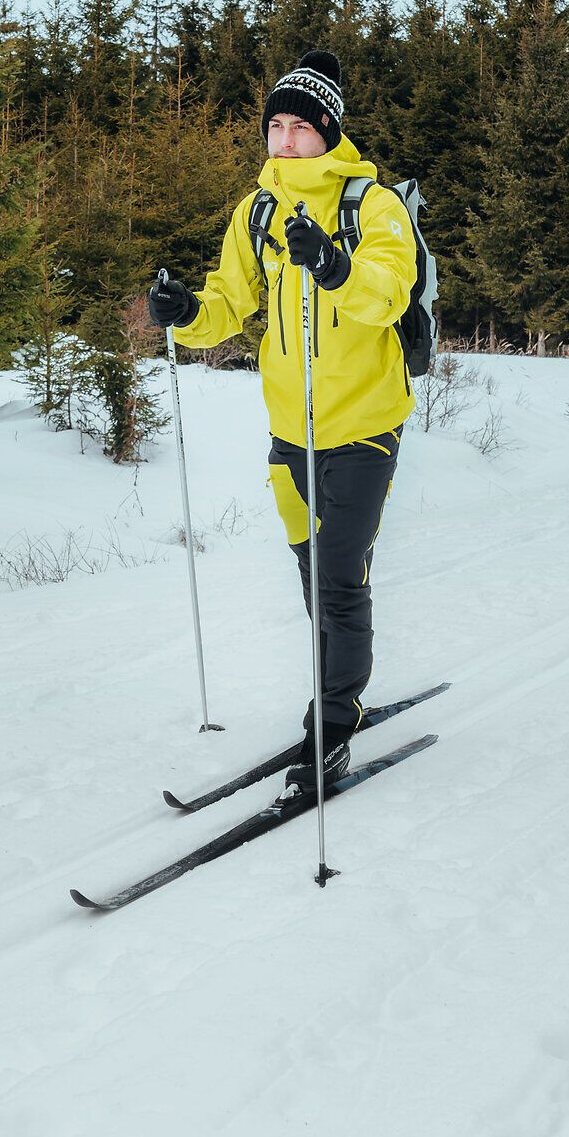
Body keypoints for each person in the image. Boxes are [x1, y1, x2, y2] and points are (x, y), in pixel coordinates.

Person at [147, 49, 416, 796]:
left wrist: (336, 266)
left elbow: (389, 291)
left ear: (330, 133)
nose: (287, 139)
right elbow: (228, 301)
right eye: (277, 127)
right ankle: (339, 686)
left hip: (363, 426)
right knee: (313, 576)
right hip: (289, 429)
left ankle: (331, 724)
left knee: (338, 576)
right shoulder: (257, 211)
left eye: (302, 127)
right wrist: (185, 313)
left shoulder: (373, 206)